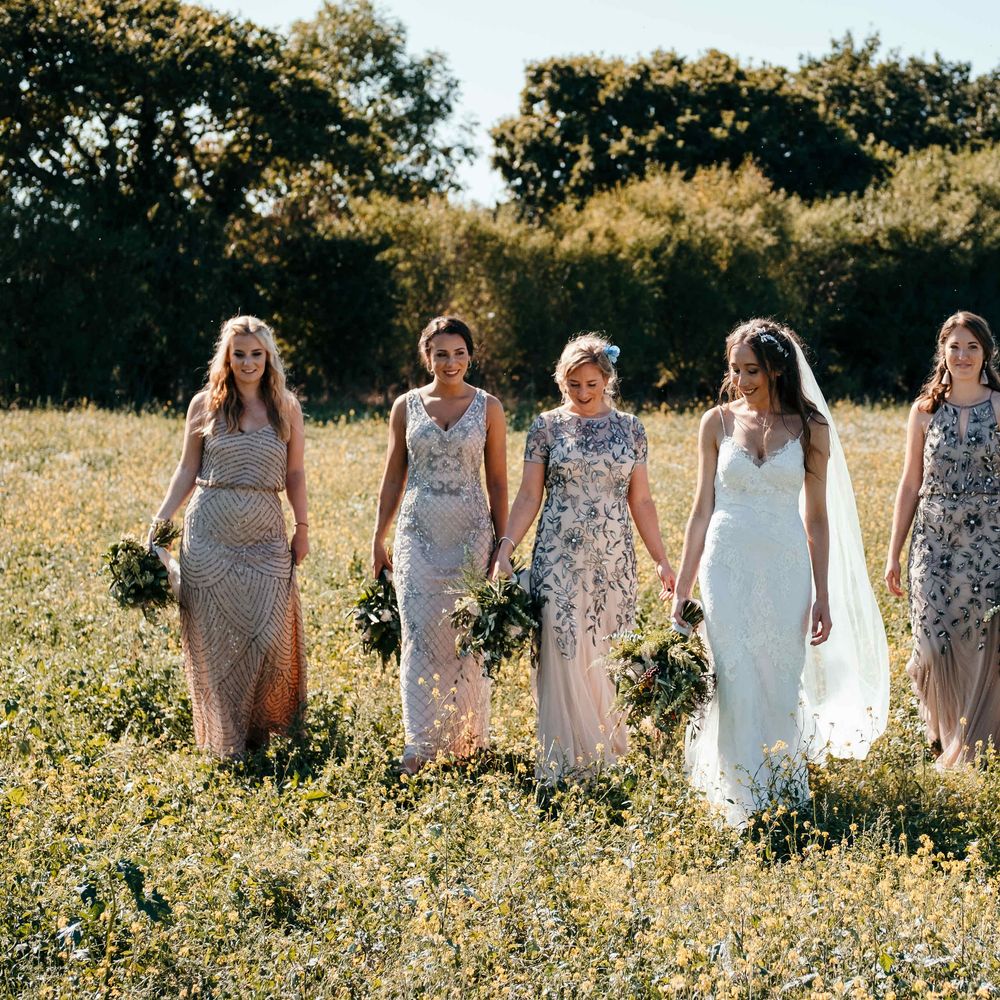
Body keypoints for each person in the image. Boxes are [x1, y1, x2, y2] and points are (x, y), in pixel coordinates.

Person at [674, 320, 888, 826]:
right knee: (733, 672)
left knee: (778, 670)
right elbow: (700, 509)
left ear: (777, 369)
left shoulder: (811, 428)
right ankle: (737, 795)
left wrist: (823, 595)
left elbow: (816, 516)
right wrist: (682, 589)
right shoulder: (716, 422)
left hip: (787, 564)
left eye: (753, 370)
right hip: (725, 564)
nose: (743, 380)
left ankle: (782, 789)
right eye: (736, 369)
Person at [494, 334, 675, 784]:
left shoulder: (631, 429)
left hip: (614, 561)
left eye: (591, 383)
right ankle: (564, 762)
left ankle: (608, 759)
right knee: (563, 650)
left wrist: (662, 559)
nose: (582, 392)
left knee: (612, 651)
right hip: (558, 558)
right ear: (562, 380)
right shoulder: (546, 427)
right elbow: (528, 495)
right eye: (573, 383)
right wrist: (505, 549)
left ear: (607, 379)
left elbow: (643, 501)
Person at [150, 315, 308, 758]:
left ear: (269, 357)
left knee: (270, 638)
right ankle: (226, 744)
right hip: (209, 532)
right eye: (239, 354)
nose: (247, 362)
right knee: (216, 642)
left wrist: (304, 528)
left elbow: (294, 473)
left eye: (256, 354)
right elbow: (186, 469)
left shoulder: (286, 407)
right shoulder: (205, 404)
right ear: (227, 356)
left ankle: (267, 736)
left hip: (266, 533)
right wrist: (162, 520)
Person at [372, 316, 508, 774]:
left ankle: (470, 740)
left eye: (459, 352)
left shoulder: (489, 407)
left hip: (472, 535)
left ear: (471, 354)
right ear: (427, 357)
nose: (451, 362)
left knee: (469, 640)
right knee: (419, 638)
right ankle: (419, 746)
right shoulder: (405, 406)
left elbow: (498, 482)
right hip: (418, 535)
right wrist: (378, 537)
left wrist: (502, 547)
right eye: (441, 354)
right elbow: (394, 475)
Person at [886, 310, 1000, 767]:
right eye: (955, 346)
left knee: (980, 642)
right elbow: (910, 482)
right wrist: (893, 551)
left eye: (972, 346)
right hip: (932, 541)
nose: (964, 355)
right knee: (932, 645)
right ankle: (944, 735)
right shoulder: (924, 410)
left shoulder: (998, 405)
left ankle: (976, 746)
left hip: (989, 541)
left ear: (986, 352)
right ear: (942, 351)